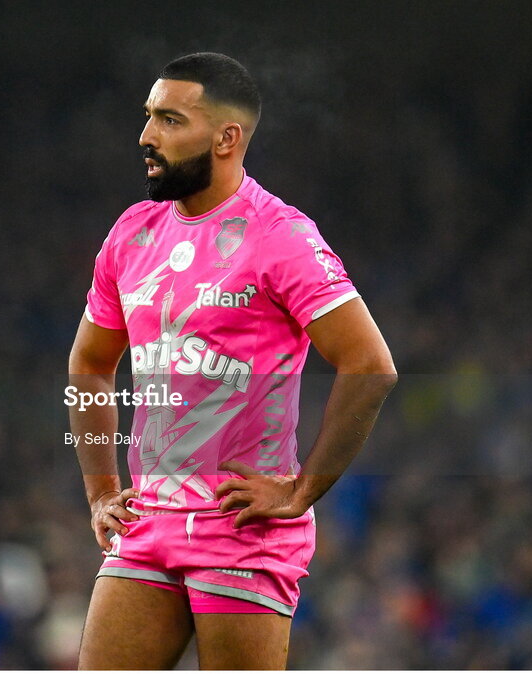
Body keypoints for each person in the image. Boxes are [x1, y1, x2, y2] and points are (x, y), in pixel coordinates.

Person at [68, 52, 397, 669]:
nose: (146, 136)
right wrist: (100, 490)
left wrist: (303, 490)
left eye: (169, 120)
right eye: (148, 118)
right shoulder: (132, 235)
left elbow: (370, 366)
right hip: (147, 522)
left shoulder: (282, 237)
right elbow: (89, 362)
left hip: (238, 529)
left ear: (227, 137)